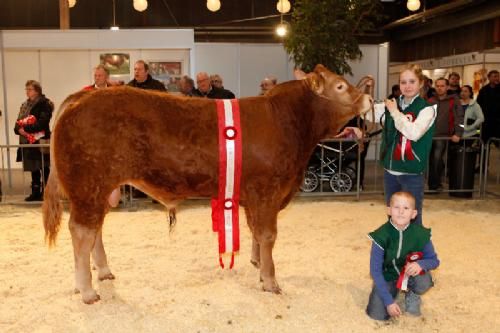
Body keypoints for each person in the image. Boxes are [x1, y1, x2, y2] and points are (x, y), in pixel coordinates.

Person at [366, 191, 440, 321]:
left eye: (406, 208)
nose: (401, 212)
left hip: (411, 274)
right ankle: (387, 291)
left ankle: (412, 293)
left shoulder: (421, 235)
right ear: (389, 210)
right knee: (376, 314)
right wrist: (388, 301)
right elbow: (375, 271)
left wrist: (420, 264)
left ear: (413, 214)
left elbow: (434, 261)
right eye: (396, 207)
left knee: (424, 281)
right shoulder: (380, 236)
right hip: (387, 276)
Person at [380, 64, 436, 226]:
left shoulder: (427, 110)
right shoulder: (392, 104)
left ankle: (416, 252)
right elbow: (374, 117)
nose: (407, 86)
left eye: (412, 81)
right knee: (393, 216)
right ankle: (395, 250)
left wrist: (395, 112)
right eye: (403, 82)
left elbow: (413, 133)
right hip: (390, 171)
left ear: (421, 83)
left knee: (413, 218)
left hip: (411, 173)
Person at [14, 80, 54, 201]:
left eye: (30, 89)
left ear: (37, 90)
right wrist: (19, 130)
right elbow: (17, 123)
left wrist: (26, 129)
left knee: (44, 167)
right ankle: (35, 192)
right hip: (27, 141)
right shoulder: (24, 105)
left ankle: (47, 193)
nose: (27, 91)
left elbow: (42, 122)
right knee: (33, 167)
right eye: (26, 89)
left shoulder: (44, 104)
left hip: (40, 140)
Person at [427, 78, 464, 192]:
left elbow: (460, 117)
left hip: (442, 136)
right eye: (437, 85)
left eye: (442, 86)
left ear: (447, 87)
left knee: (437, 159)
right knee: (431, 160)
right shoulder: (430, 100)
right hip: (428, 136)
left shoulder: (454, 100)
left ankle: (433, 185)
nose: (439, 88)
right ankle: (435, 183)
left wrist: (458, 133)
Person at [477, 70, 500, 147]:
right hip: (486, 123)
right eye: (495, 76)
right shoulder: (483, 91)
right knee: (484, 145)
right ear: (489, 78)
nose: (497, 78)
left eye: (498, 76)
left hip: (498, 123)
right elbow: (478, 105)